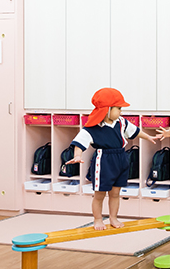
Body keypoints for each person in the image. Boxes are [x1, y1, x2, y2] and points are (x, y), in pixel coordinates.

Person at [67, 88, 159, 230]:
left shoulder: (121, 122)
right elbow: (79, 143)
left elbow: (135, 131)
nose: (121, 112)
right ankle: (98, 219)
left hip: (121, 157)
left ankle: (113, 218)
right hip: (104, 160)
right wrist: (77, 156)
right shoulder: (92, 127)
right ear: (107, 109)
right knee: (99, 194)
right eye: (119, 108)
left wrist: (148, 137)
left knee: (115, 193)